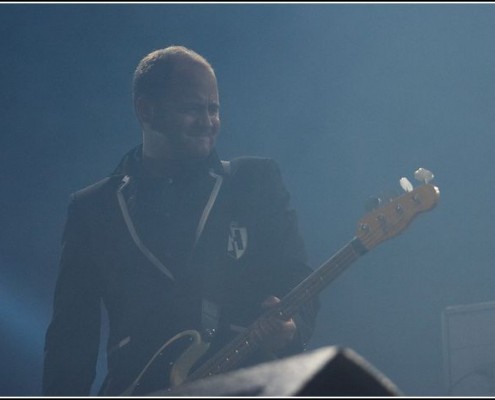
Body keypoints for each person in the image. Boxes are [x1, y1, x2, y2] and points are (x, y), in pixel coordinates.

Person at [42, 45, 319, 396]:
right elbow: (71, 338)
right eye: (192, 108)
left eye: (213, 108)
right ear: (146, 110)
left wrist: (293, 329)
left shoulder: (255, 183)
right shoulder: (94, 208)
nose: (208, 121)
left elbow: (295, 275)